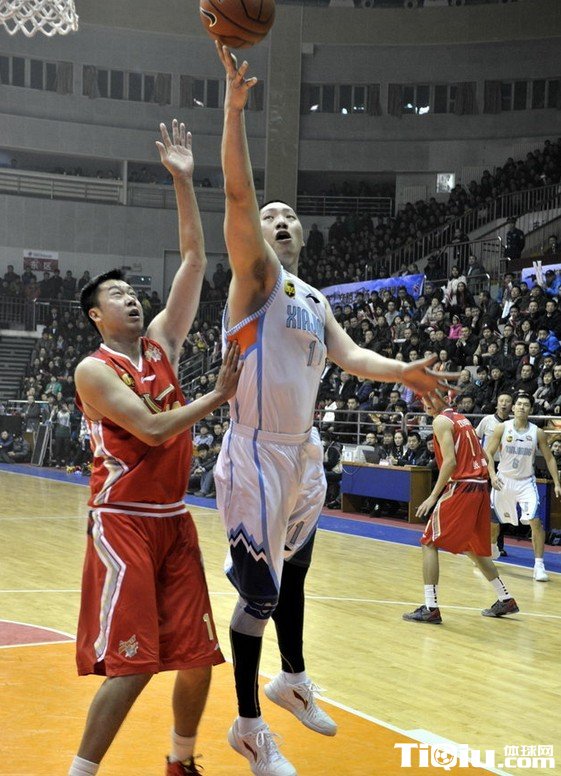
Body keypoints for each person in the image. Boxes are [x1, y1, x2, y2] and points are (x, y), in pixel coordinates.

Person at [213, 43, 459, 776]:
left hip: (303, 451)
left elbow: (351, 357)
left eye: (290, 215)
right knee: (259, 594)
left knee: (294, 575)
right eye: (271, 215)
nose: (280, 220)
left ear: (303, 234)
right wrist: (234, 112)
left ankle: (291, 677)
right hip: (256, 449)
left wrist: (403, 371)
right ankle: (248, 726)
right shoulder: (254, 279)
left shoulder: (314, 299)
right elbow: (237, 198)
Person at [67, 121, 242, 776]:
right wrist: (217, 396)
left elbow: (194, 259)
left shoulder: (162, 343)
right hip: (123, 522)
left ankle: (181, 761)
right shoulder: (93, 370)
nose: (132, 299)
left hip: (172, 519)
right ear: (96, 315)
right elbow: (151, 428)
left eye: (133, 291)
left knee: (198, 657)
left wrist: (182, 180)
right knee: (134, 665)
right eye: (116, 295)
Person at [403, 395, 518, 625]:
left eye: (429, 398)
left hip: (463, 486)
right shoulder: (461, 419)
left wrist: (433, 496)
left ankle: (430, 607)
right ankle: (505, 599)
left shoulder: (441, 421)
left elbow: (450, 462)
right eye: (423, 399)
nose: (425, 404)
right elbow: (483, 454)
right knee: (473, 547)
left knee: (429, 542)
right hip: (480, 487)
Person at [485, 393, 561, 582]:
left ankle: (539, 566)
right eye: (519, 404)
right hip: (503, 480)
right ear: (513, 408)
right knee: (494, 524)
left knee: (536, 521)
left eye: (526, 405)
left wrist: (557, 482)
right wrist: (492, 475)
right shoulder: (503, 428)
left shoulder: (537, 432)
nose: (521, 407)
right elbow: (488, 453)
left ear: (531, 409)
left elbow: (550, 458)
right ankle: (492, 548)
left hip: (526, 482)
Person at [475, 393, 513, 557]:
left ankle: (498, 543)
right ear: (497, 404)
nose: (504, 404)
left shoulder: (513, 425)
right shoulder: (487, 421)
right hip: (486, 466)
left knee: (501, 507)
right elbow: (475, 439)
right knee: (483, 506)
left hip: (505, 468)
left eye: (507, 401)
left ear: (512, 406)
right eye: (501, 401)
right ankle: (479, 542)